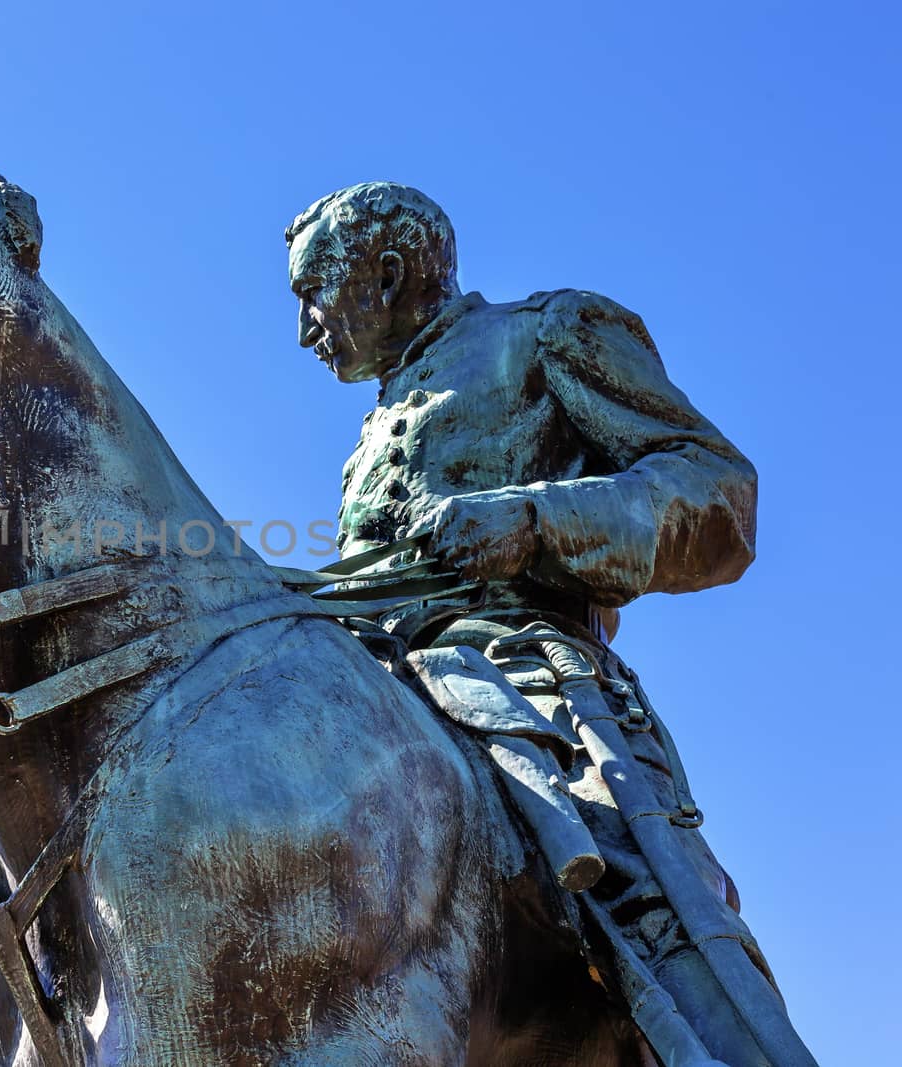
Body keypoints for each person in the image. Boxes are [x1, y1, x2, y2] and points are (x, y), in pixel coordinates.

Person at [285, 182, 816, 1066]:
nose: (305, 326)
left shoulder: (545, 335)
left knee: (640, 897)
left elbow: (721, 494)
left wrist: (534, 520)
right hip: (386, 696)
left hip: (537, 691)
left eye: (314, 291)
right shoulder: (373, 430)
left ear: (384, 274)